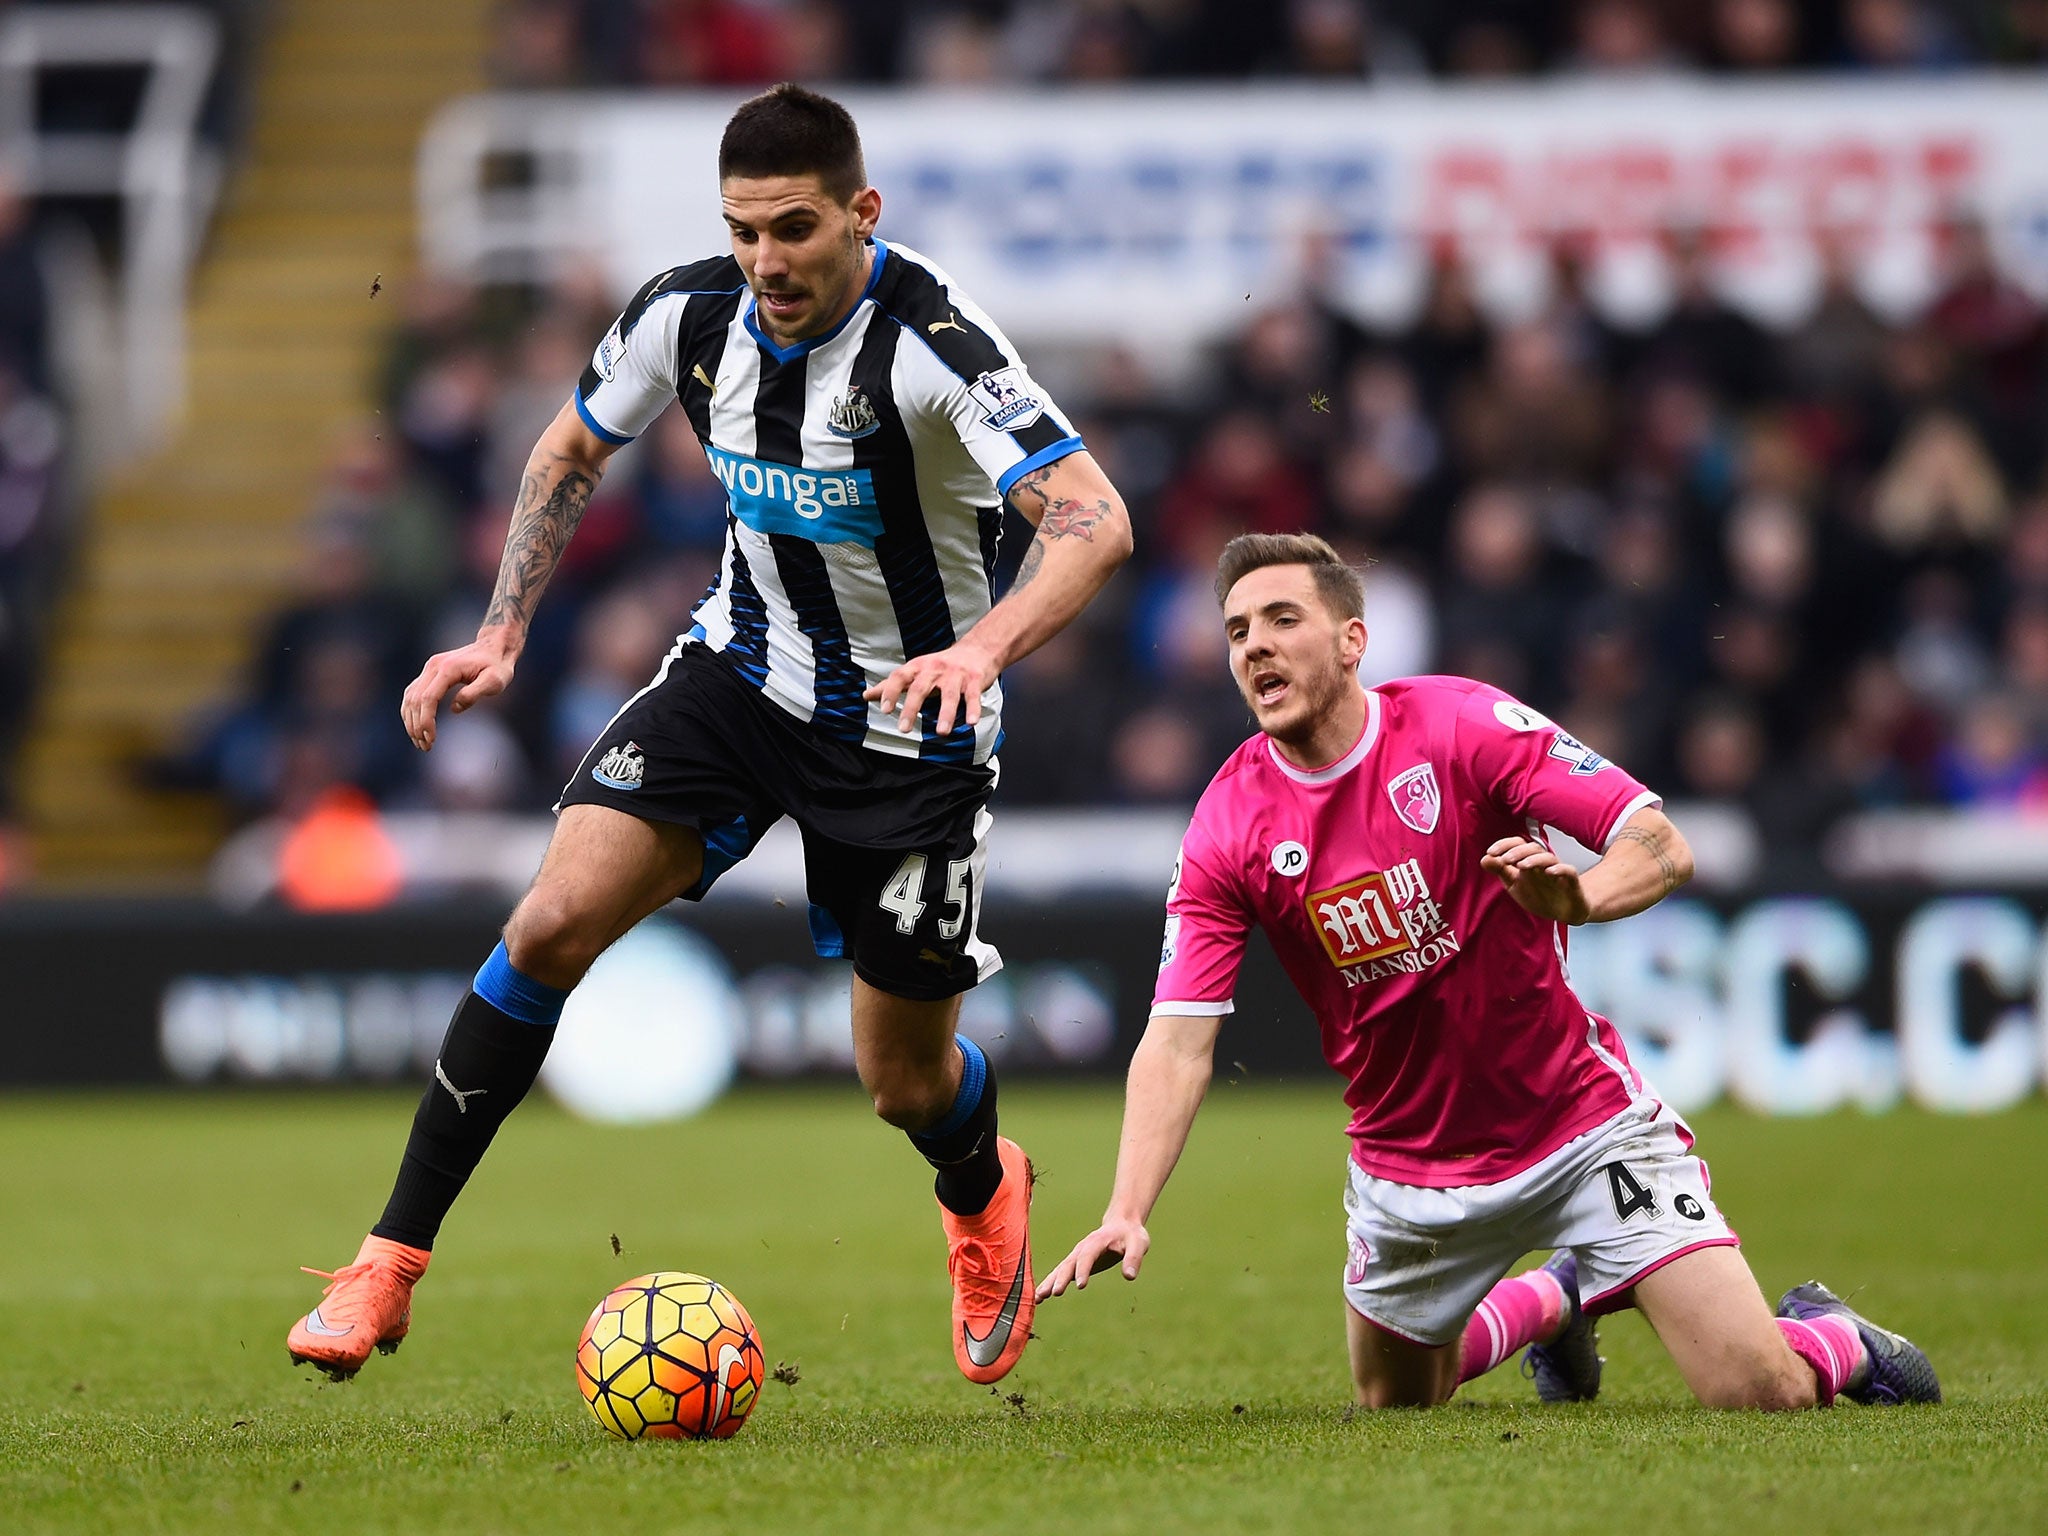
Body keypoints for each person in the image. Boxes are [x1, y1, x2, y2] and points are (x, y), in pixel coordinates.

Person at [288, 84, 1132, 1387]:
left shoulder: (935, 345)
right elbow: (568, 449)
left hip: (911, 736)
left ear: (863, 211)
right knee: (547, 924)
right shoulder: (686, 313)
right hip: (739, 680)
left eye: (793, 228)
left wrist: (978, 651)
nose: (765, 261)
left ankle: (982, 1188)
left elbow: (1093, 518)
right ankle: (384, 1266)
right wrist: (501, 630)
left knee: (902, 1084)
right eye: (743, 230)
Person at [1037, 532, 1938, 1412]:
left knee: (1756, 1392)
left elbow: (1659, 845)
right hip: (1406, 1171)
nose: (1256, 646)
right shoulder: (1227, 825)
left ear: (1354, 639)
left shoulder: (1462, 725)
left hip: (1580, 1131)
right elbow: (1178, 1041)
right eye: (1238, 631)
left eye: (1282, 619)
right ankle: (1555, 1300)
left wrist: (1580, 899)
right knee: (1394, 1403)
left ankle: (1837, 1336)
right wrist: (1127, 1206)